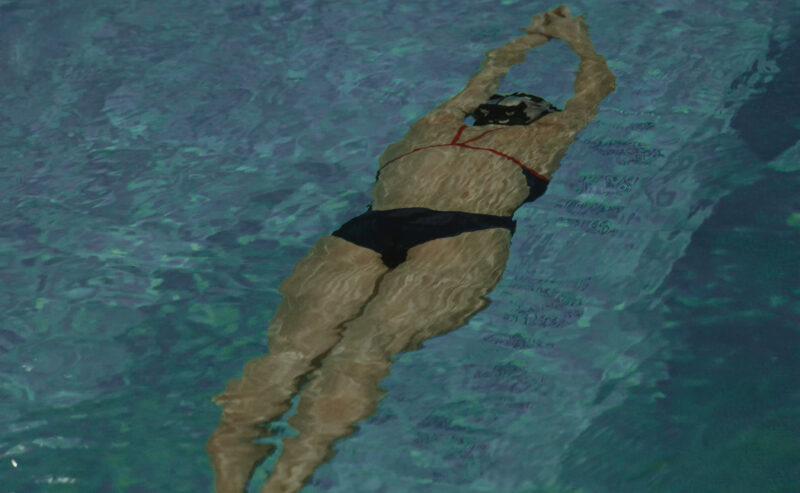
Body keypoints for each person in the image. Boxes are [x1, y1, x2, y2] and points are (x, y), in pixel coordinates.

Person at [206, 5, 616, 492]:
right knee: (364, 353)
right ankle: (285, 483)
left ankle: (227, 483)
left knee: (288, 355)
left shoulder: (434, 125)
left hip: (367, 230)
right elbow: (595, 90)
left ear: (483, 112)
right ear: (536, 119)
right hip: (465, 233)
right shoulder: (544, 137)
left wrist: (527, 41)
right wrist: (578, 40)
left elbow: (482, 78)